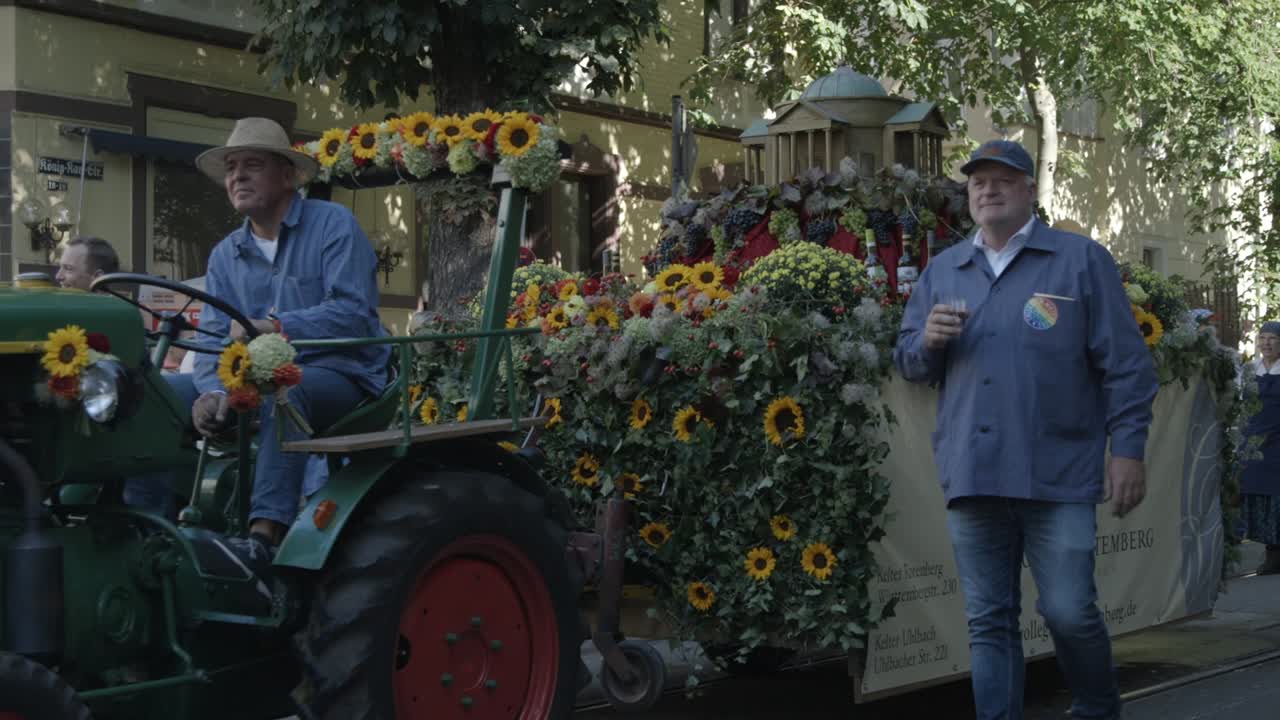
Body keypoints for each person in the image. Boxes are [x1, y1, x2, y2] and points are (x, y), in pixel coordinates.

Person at [893, 139, 1158, 720]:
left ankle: (1096, 706)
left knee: (1068, 610)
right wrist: (926, 342)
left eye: (1002, 180)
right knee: (989, 620)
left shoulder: (1078, 260)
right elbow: (910, 362)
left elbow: (1127, 365)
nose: (987, 189)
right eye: (977, 182)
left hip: (1056, 471)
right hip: (974, 471)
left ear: (1029, 189)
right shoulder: (945, 271)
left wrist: (1128, 449)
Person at [128, 117, 389, 578]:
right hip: (246, 379)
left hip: (343, 373)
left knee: (282, 392)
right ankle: (143, 532)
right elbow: (211, 339)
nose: (237, 177)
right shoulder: (226, 253)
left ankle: (262, 541)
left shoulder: (333, 225)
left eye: (253, 165)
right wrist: (210, 391)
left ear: (287, 176)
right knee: (154, 394)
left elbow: (353, 313)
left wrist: (274, 326)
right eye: (231, 168)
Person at [1240, 321, 1280, 574]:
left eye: (1272, 338)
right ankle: (1271, 550)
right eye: (1262, 337)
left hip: (1279, 442)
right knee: (1260, 498)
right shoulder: (1249, 369)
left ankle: (1276, 554)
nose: (1266, 342)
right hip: (1254, 441)